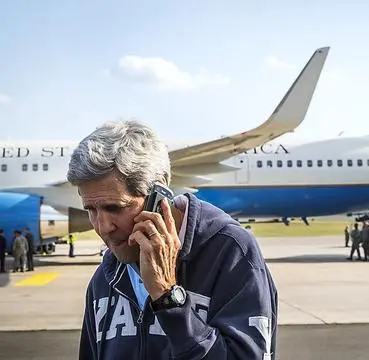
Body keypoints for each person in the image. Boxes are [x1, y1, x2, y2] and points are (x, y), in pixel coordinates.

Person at [68, 120, 278, 359]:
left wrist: (169, 299)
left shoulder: (229, 252)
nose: (103, 227)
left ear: (158, 197)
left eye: (115, 208)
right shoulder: (108, 276)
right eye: (91, 210)